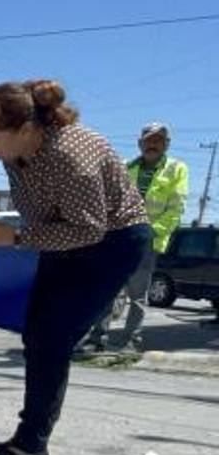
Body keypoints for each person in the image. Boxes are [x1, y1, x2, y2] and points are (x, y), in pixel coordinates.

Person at [0, 80, 151, 455]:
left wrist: (16, 238)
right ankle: (25, 440)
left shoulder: (70, 155)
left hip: (113, 242)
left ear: (25, 129)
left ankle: (32, 447)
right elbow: (42, 214)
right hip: (62, 234)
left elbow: (89, 229)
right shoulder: (15, 155)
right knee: (37, 334)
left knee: (52, 337)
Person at [82, 121, 188, 353]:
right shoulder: (125, 166)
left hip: (148, 239)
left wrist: (151, 232)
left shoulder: (176, 168)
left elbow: (175, 208)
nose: (153, 144)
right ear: (140, 143)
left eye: (158, 140)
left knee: (137, 294)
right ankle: (97, 338)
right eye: (149, 140)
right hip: (119, 237)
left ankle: (131, 339)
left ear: (167, 144)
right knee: (108, 288)